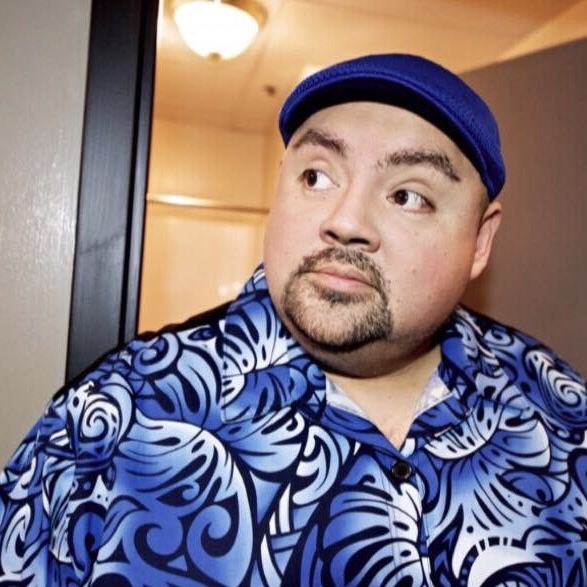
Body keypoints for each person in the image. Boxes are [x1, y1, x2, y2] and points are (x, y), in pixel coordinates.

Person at [1, 53, 586, 587]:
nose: (345, 220)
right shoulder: (109, 419)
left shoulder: (565, 418)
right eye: (316, 177)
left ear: (480, 242)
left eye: (408, 196)